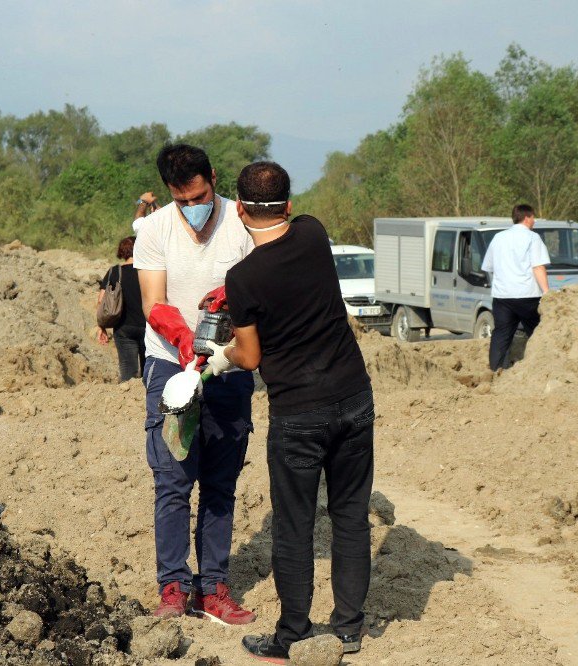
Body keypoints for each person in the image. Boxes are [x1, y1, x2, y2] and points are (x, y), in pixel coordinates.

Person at [203, 161, 374, 661]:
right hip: (354, 395)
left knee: (295, 525)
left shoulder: (243, 278)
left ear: (238, 210)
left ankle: (293, 634)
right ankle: (347, 630)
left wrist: (222, 355)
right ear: (290, 205)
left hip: (299, 412)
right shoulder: (313, 233)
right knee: (350, 515)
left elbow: (251, 357)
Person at [132, 144, 257, 624]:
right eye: (182, 200)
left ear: (214, 179)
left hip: (229, 364)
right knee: (173, 481)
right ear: (169, 193)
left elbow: (262, 286)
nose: (193, 208)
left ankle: (213, 589)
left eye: (200, 196)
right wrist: (183, 338)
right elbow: (153, 301)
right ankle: (173, 588)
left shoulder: (240, 224)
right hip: (171, 366)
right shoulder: (156, 229)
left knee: (221, 482)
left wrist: (235, 297)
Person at [481, 203, 551, 372]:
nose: (534, 221)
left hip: (502, 297)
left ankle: (496, 370)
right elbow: (538, 267)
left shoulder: (498, 237)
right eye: (533, 217)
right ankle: (542, 367)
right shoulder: (532, 238)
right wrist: (547, 292)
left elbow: (488, 267)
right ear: (527, 218)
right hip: (527, 295)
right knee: (538, 331)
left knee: (501, 334)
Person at [97, 236, 145, 381]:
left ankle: (127, 400)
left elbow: (101, 301)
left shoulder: (114, 272)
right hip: (148, 327)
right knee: (150, 371)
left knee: (127, 372)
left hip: (123, 328)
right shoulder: (148, 270)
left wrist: (102, 327)